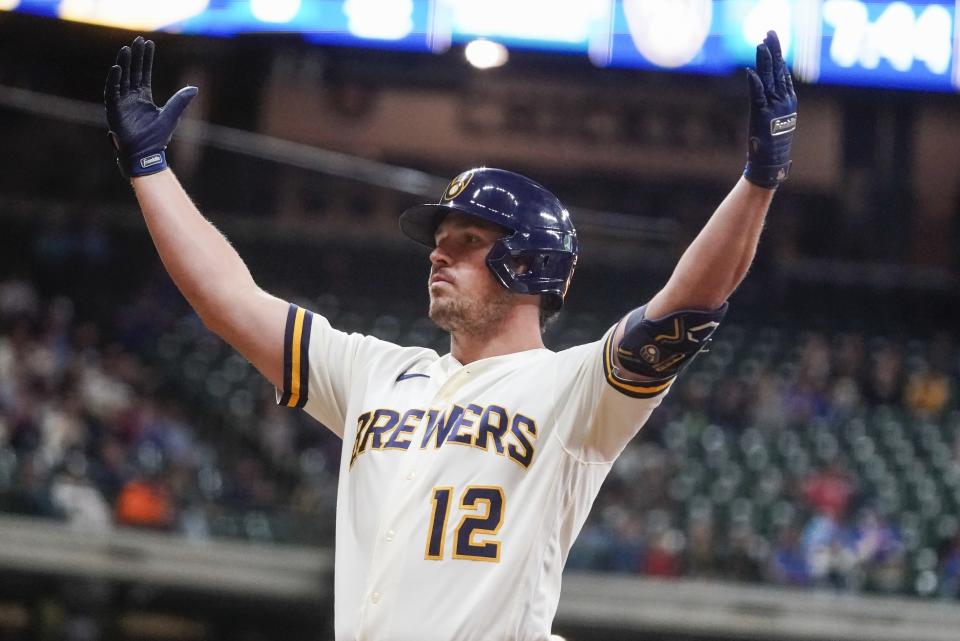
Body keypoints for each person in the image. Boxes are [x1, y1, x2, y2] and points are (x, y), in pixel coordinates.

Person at [103, 31, 797, 641]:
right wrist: (150, 172)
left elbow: (689, 301)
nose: (438, 254)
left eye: (465, 240)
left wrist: (759, 181)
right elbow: (229, 301)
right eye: (439, 241)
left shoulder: (575, 390)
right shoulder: (374, 371)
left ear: (530, 263)